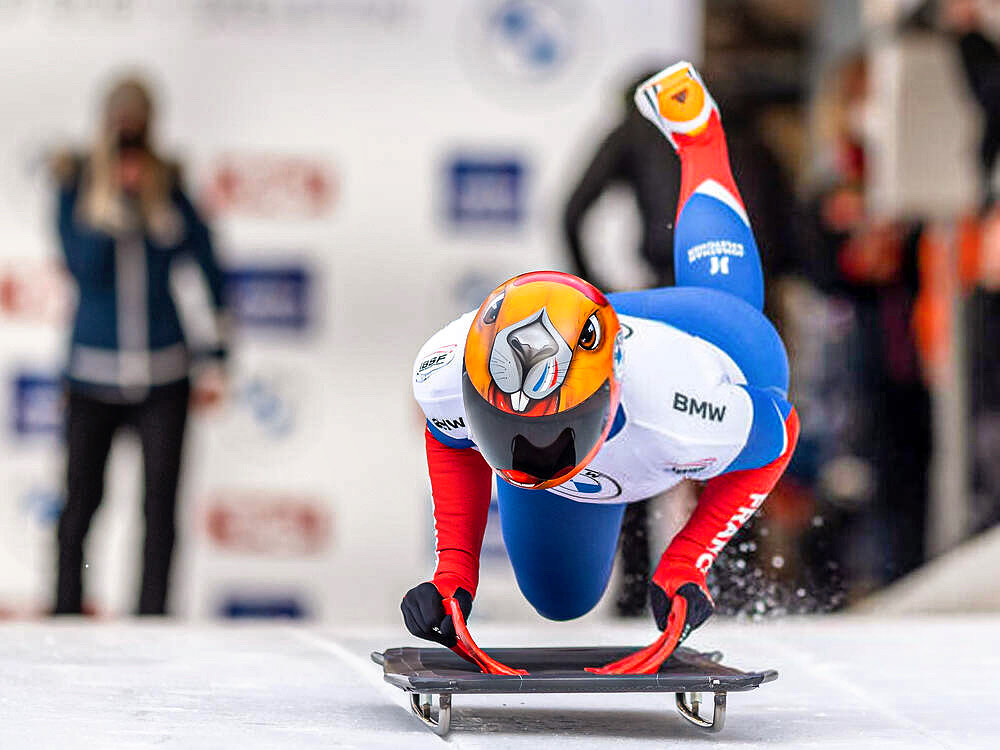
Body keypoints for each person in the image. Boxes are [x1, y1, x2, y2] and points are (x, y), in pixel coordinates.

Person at [402, 62, 799, 670]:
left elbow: (778, 434)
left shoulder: (686, 406)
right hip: (601, 349)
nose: (528, 452)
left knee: (747, 325)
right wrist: (454, 573)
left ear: (607, 396)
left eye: (546, 434)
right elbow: (446, 430)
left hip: (702, 334)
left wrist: (687, 561)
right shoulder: (445, 371)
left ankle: (699, 135)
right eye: (502, 429)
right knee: (561, 599)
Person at [52, 77, 228, 616]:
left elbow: (208, 263)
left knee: (160, 507)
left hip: (164, 373)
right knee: (81, 501)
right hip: (92, 375)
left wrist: (217, 347)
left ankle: (152, 618)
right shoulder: (76, 181)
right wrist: (110, 210)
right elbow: (82, 268)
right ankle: (64, 611)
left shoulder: (169, 183)